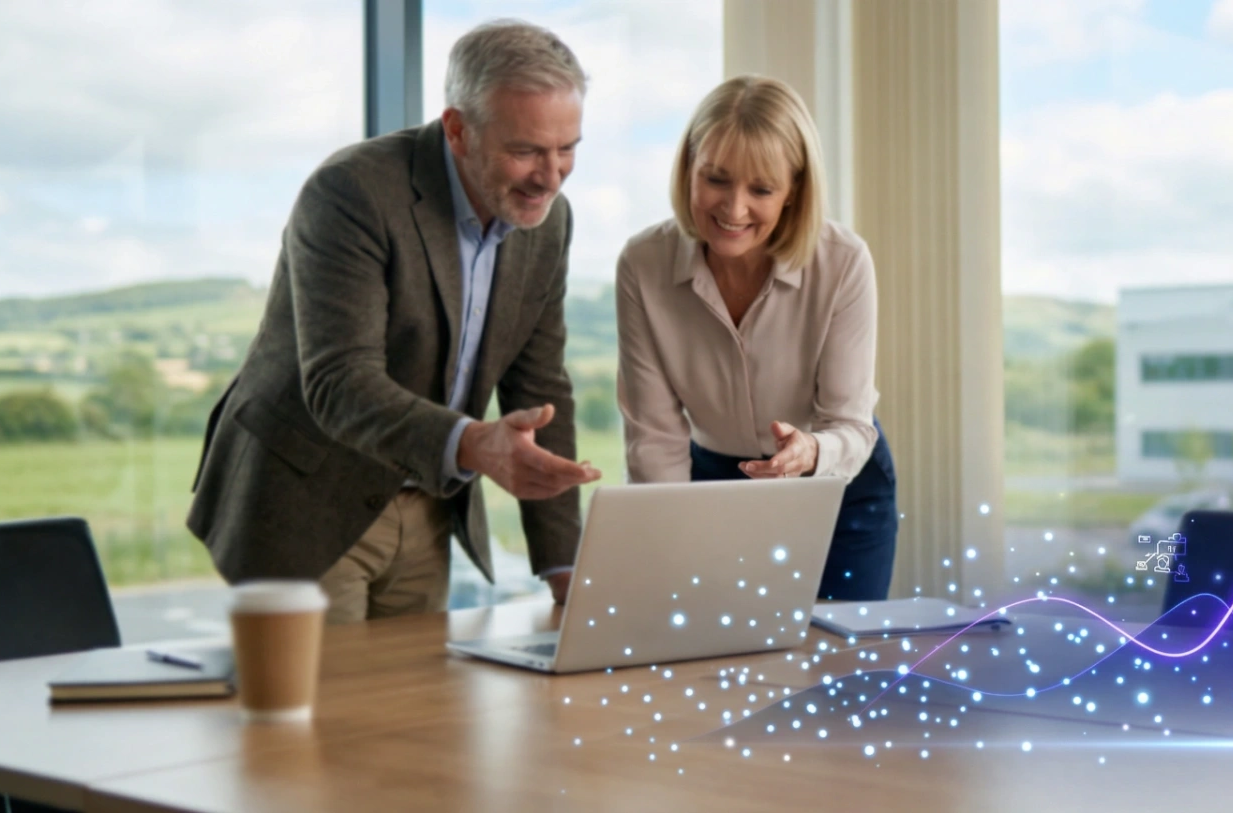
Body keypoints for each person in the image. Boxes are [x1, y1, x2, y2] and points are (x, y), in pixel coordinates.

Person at [186, 20, 601, 624]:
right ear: (458, 129)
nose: (551, 175)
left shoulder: (549, 221)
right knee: (325, 713)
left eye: (567, 149)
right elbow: (340, 381)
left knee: (415, 709)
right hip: (308, 496)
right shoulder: (352, 191)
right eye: (525, 151)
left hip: (427, 496)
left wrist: (565, 567)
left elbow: (539, 386)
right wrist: (474, 443)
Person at [615, 75, 896, 601]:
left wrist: (810, 452)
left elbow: (851, 427)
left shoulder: (842, 261)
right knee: (711, 659)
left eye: (761, 189)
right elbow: (655, 438)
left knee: (836, 670)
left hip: (836, 486)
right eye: (716, 179)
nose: (734, 209)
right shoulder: (643, 263)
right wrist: (665, 552)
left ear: (793, 193)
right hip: (712, 483)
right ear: (688, 168)